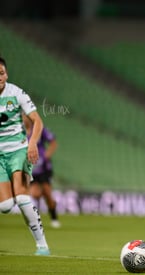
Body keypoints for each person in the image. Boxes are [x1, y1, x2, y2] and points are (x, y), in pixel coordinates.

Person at [0, 57, 50, 255]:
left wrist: (32, 144)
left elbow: (37, 121)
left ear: (6, 74)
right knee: (4, 206)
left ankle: (42, 246)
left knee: (21, 199)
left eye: (1, 73)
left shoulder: (16, 93)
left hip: (19, 151)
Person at [23, 115, 60, 228]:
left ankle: (54, 218)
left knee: (48, 194)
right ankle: (36, 217)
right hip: (31, 169)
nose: (24, 119)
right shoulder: (19, 132)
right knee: (36, 194)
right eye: (22, 117)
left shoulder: (39, 129)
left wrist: (46, 156)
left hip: (43, 168)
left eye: (25, 116)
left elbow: (53, 142)